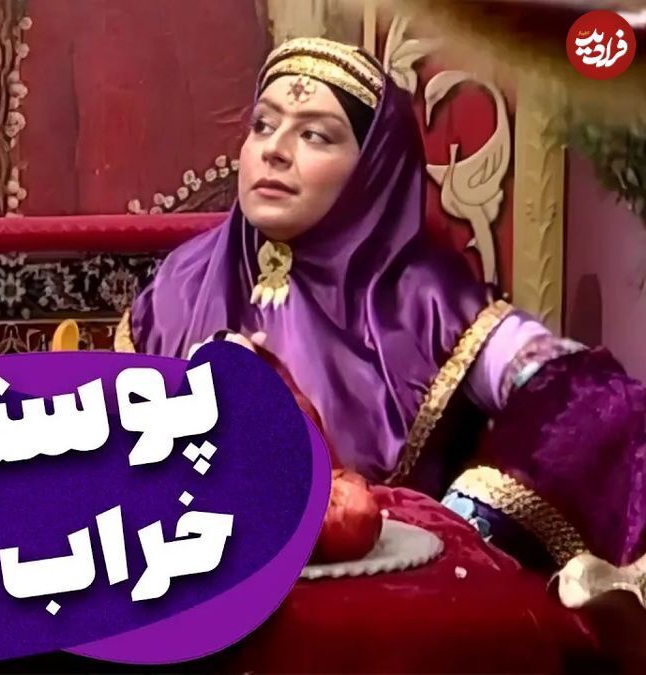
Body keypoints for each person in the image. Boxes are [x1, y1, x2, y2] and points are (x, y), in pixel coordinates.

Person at [119, 37, 645, 605]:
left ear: (374, 170)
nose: (274, 151)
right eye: (263, 125)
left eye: (315, 135)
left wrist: (466, 520)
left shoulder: (430, 301)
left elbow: (593, 398)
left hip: (376, 609)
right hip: (199, 592)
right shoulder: (180, 285)